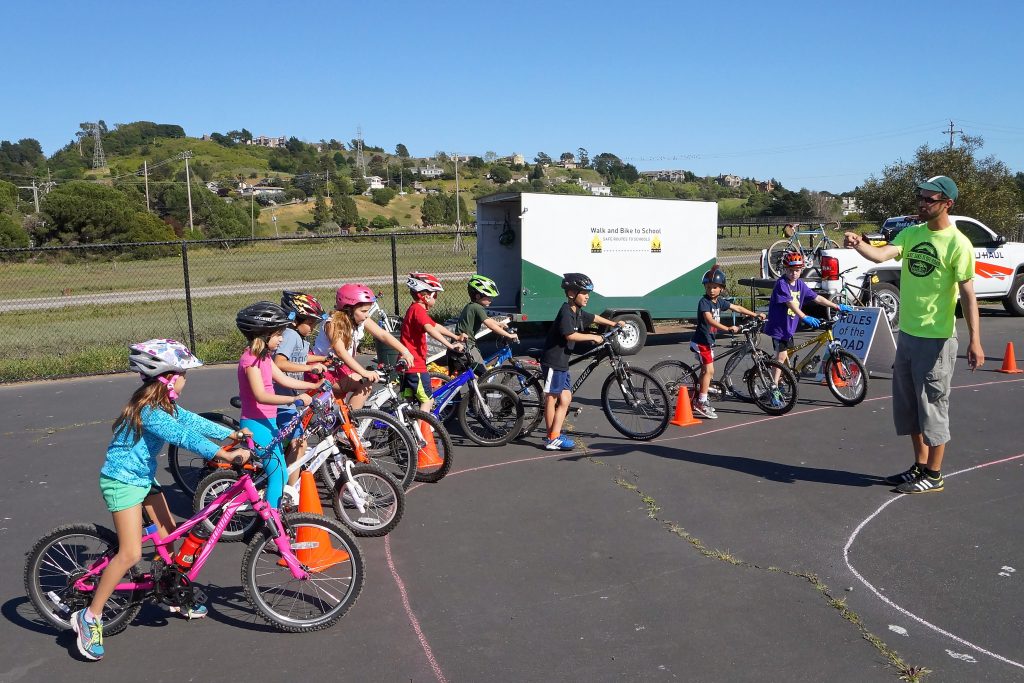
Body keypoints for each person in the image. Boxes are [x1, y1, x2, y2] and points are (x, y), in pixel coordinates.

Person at [71, 340, 252, 661]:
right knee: (130, 553)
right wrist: (225, 454)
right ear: (167, 378)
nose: (185, 378)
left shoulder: (164, 405)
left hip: (142, 478)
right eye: (182, 373)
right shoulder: (150, 411)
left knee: (169, 535)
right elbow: (185, 437)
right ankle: (90, 616)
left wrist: (233, 434)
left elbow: (192, 422)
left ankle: (171, 590)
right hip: (122, 482)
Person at [843, 175, 984, 493]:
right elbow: (881, 256)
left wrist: (975, 339)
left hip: (937, 339)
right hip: (906, 334)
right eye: (920, 198)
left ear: (947, 203)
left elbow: (968, 295)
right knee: (909, 406)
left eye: (929, 199)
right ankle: (920, 465)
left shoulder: (958, 244)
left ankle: (934, 474)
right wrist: (859, 243)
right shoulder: (912, 233)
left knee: (933, 404)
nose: (921, 204)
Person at [236, 302, 320, 511]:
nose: (282, 338)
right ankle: (272, 526)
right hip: (256, 425)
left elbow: (283, 379)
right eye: (278, 334)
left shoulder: (264, 357)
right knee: (277, 475)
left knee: (280, 472)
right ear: (264, 335)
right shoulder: (251, 360)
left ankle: (273, 516)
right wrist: (294, 400)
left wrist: (313, 385)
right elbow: (261, 395)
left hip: (268, 422)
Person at [540, 273, 624, 449]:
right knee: (552, 398)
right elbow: (569, 334)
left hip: (562, 361)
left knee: (566, 399)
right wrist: (592, 337)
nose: (587, 296)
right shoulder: (566, 312)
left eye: (588, 293)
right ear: (571, 293)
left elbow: (593, 317)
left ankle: (555, 434)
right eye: (584, 292)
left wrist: (614, 323)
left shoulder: (577, 311)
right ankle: (551, 438)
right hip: (554, 360)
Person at [312, 283, 415, 409]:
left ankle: (345, 424)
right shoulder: (332, 323)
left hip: (339, 368)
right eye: (364, 311)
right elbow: (340, 351)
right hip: (322, 370)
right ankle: (351, 425)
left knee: (335, 410)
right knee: (364, 385)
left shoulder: (358, 319)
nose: (367, 315)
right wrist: (363, 372)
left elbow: (382, 334)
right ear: (349, 309)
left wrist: (404, 350)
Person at [764, 251, 853, 385]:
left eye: (797, 270)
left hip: (789, 327)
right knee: (781, 356)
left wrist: (836, 306)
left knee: (789, 353)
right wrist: (804, 317)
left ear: (801, 270)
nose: (794, 273)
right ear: (785, 269)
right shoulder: (781, 284)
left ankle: (779, 375)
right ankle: (773, 386)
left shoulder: (800, 284)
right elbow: (790, 303)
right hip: (778, 326)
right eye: (790, 270)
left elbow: (817, 298)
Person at [690, 266, 764, 419]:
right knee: (709, 371)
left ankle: (697, 393)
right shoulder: (704, 302)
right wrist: (727, 328)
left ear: (721, 289)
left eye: (715, 287)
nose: (711, 290)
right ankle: (701, 402)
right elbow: (709, 320)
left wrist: (755, 314)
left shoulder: (719, 302)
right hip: (701, 342)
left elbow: (736, 307)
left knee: (708, 372)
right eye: (708, 287)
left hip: (708, 341)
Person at [275, 291, 329, 487]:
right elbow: (280, 362)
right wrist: (309, 368)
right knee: (299, 444)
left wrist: (323, 359)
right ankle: (289, 491)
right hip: (280, 399)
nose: (314, 327)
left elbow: (298, 358)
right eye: (311, 322)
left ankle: (286, 485)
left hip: (289, 397)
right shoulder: (290, 335)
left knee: (295, 443)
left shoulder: (298, 337)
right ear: (295, 319)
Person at [400, 273, 465, 411]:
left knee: (409, 403)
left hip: (407, 364)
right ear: (425, 296)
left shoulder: (416, 309)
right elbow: (430, 329)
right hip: (415, 365)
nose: (436, 298)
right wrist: (450, 345)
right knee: (428, 401)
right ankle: (421, 433)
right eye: (435, 295)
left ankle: (404, 429)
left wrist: (455, 336)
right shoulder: (418, 310)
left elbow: (435, 325)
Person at [455, 274, 519, 373]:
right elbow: (490, 325)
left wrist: (499, 324)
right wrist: (509, 335)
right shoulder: (477, 307)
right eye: (488, 296)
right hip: (467, 346)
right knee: (484, 376)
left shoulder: (472, 306)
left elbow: (487, 319)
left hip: (458, 345)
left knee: (463, 379)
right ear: (477, 296)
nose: (491, 299)